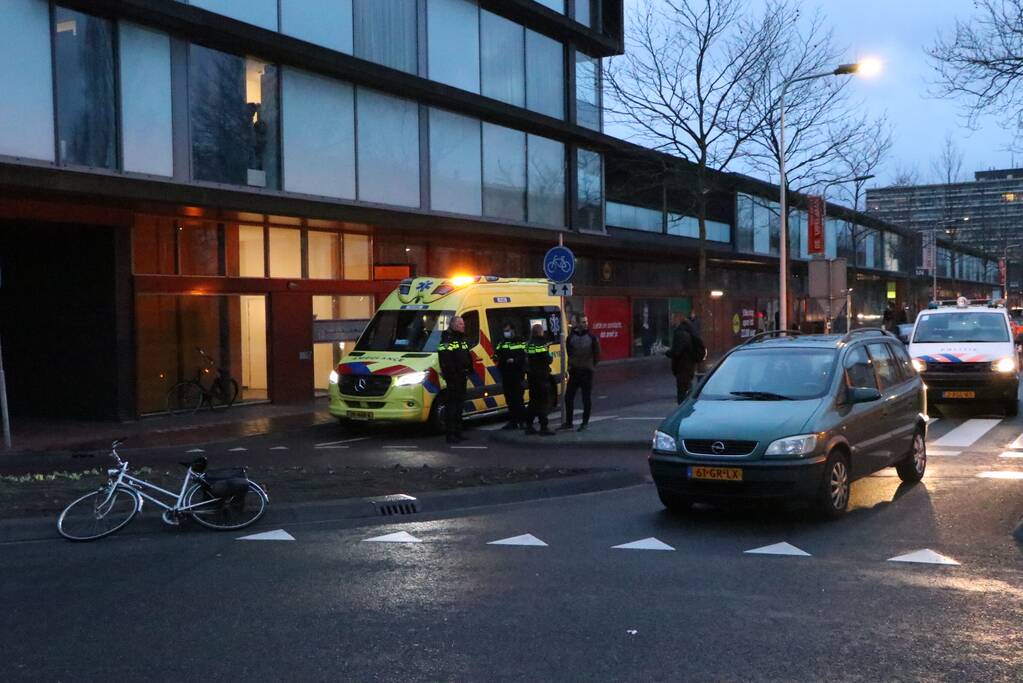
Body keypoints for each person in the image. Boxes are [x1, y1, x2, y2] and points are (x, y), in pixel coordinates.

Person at [561, 317, 601, 431]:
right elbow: (569, 351)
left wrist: (591, 366)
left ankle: (584, 422)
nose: (585, 324)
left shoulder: (592, 337)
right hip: (574, 371)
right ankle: (569, 422)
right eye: (583, 322)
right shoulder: (571, 337)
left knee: (586, 398)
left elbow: (597, 354)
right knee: (568, 397)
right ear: (577, 323)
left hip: (586, 371)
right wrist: (571, 364)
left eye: (586, 322)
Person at [437, 315, 473, 443]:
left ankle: (458, 432)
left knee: (459, 406)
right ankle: (450, 434)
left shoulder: (461, 339)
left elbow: (466, 355)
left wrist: (469, 369)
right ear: (453, 325)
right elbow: (446, 361)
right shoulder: (447, 340)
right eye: (460, 324)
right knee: (452, 406)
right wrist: (452, 376)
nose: (463, 326)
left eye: (463, 324)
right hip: (453, 378)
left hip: (462, 376)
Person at [493, 322, 527, 430]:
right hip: (506, 374)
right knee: (509, 399)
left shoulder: (520, 341)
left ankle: (522, 421)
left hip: (517, 374)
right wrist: (496, 358)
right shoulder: (502, 342)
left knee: (518, 399)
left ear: (513, 330)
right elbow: (496, 353)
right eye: (505, 331)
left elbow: (524, 356)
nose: (506, 333)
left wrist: (515, 360)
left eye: (507, 330)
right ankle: (513, 422)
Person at [524, 323, 555, 436]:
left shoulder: (528, 345)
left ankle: (529, 425)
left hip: (532, 377)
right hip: (541, 376)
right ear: (541, 332)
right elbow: (548, 359)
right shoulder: (542, 344)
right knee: (543, 401)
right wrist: (548, 351)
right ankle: (544, 427)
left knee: (533, 402)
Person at [668, 314, 705, 403]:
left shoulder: (681, 333)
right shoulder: (687, 330)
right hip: (688, 365)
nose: (671, 321)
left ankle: (684, 409)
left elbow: (677, 351)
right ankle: (690, 404)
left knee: (683, 391)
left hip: (683, 366)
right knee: (688, 387)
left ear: (677, 320)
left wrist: (667, 352)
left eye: (672, 318)